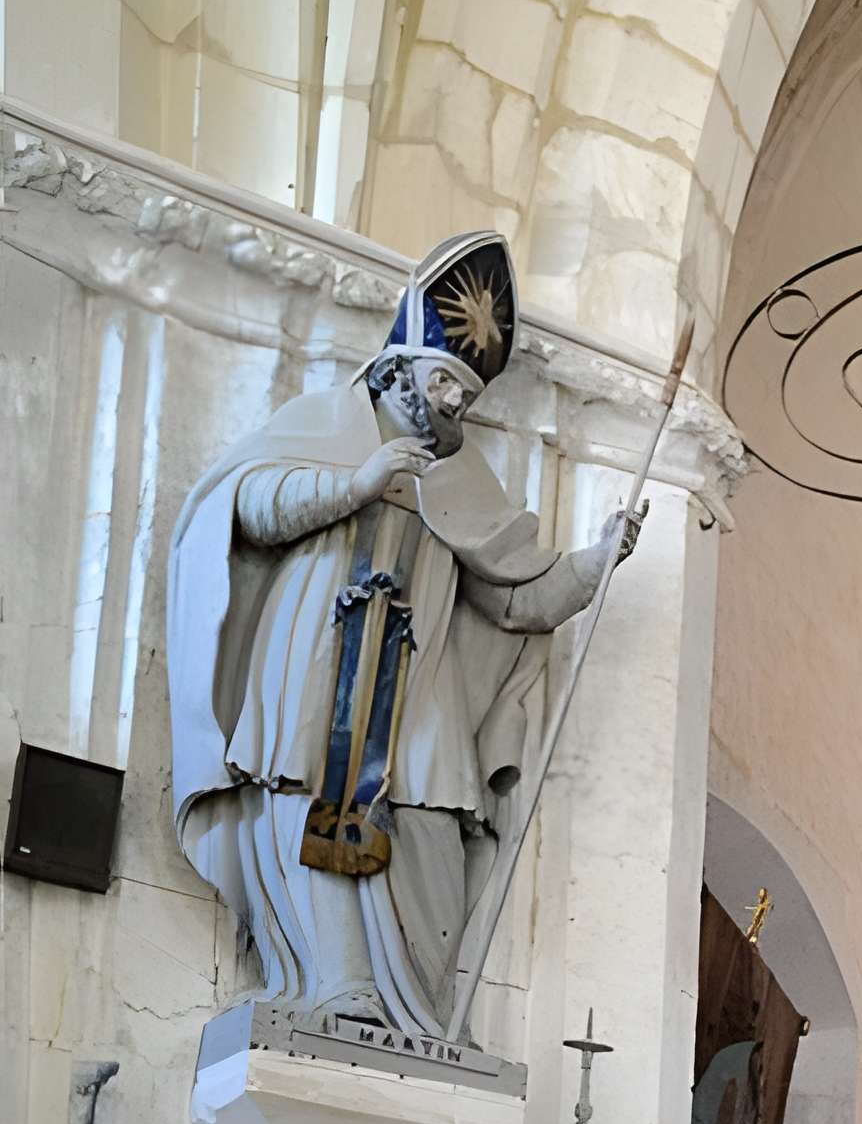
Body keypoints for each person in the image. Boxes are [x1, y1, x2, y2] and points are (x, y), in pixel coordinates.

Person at [166, 231, 639, 1040]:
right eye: (444, 381)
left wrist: (597, 562)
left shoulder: (466, 480)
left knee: (426, 820)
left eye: (467, 393)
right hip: (315, 668)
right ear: (400, 363)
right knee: (306, 793)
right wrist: (354, 484)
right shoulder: (323, 422)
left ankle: (412, 1008)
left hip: (415, 681)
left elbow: (517, 598)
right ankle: (335, 983)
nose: (455, 404)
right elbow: (246, 509)